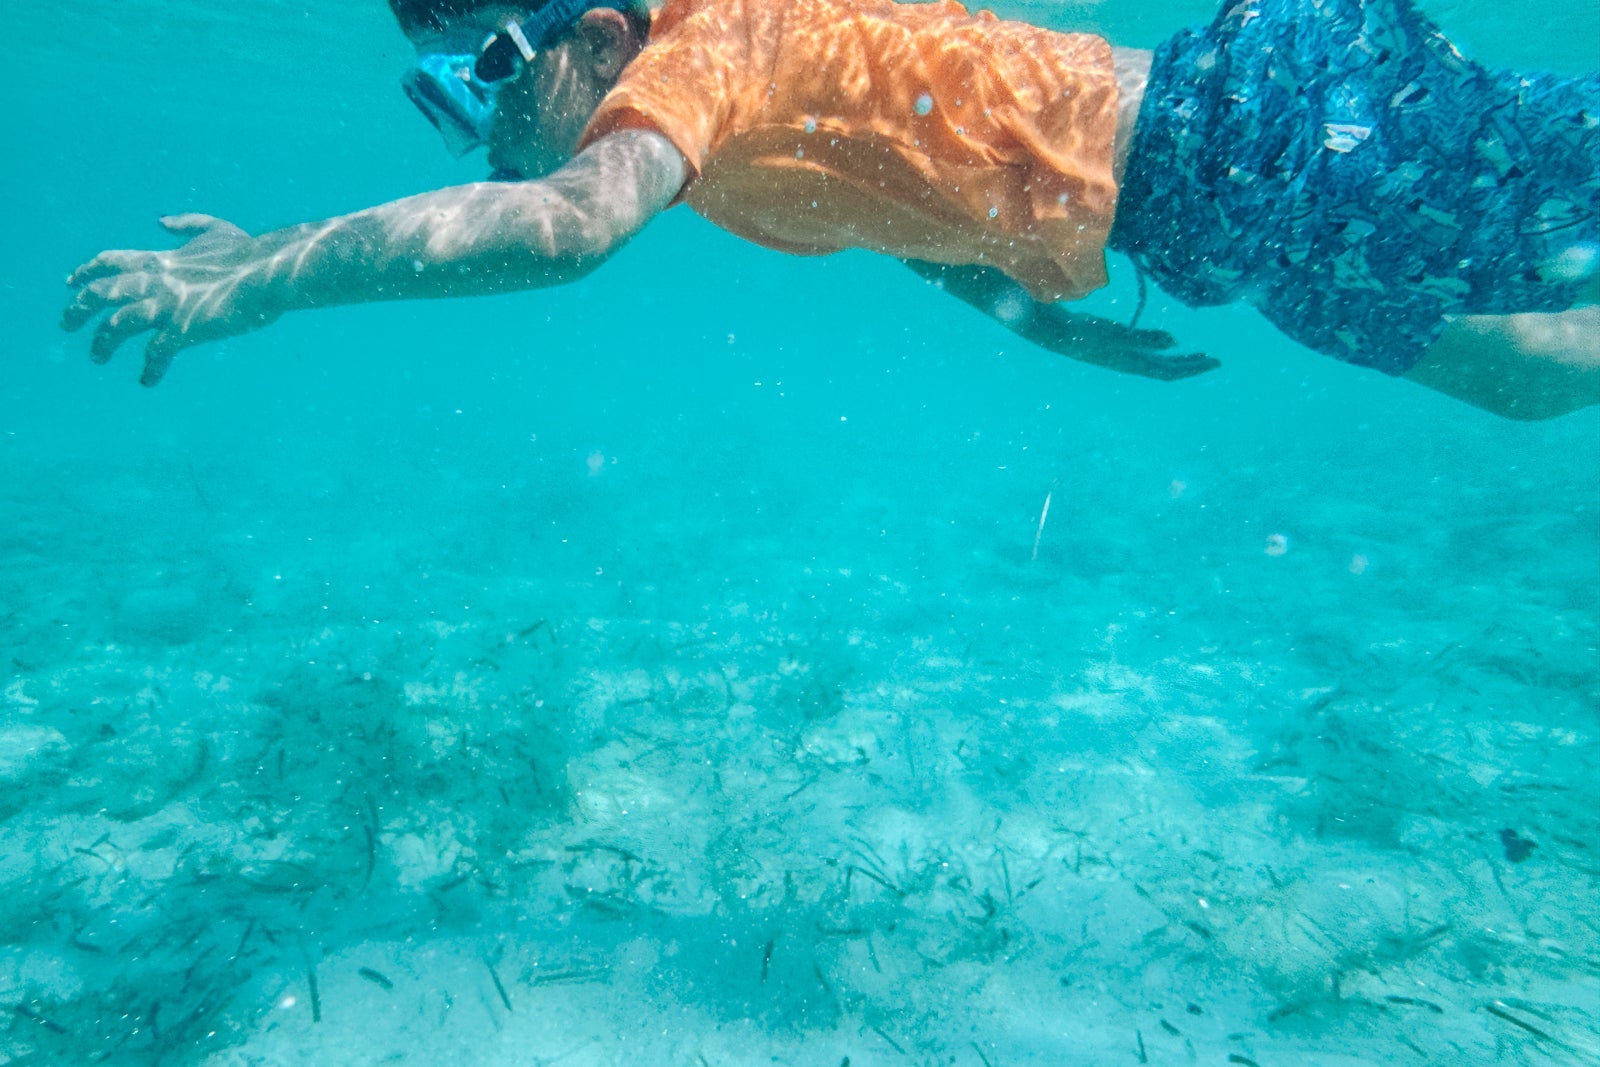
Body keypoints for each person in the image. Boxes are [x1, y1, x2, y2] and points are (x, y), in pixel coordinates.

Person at [62, 0, 1600, 419]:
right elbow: (893, 201)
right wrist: (1031, 312)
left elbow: (566, 230)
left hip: (1262, 139)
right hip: (1221, 199)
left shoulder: (697, 58)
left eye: (488, 75)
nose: (482, 127)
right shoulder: (717, 114)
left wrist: (264, 281)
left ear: (597, 33)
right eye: (442, 96)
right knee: (1528, 377)